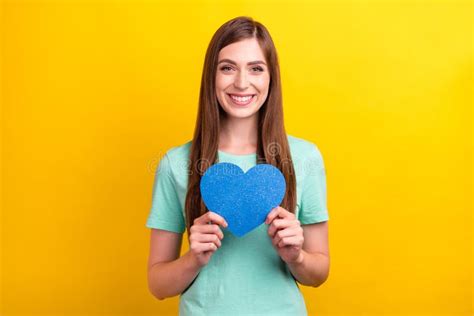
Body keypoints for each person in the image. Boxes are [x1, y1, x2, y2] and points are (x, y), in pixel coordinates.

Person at [146, 16, 330, 315]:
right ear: (211, 76)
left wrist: (296, 257)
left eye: (256, 69)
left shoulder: (306, 158)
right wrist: (194, 257)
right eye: (228, 68)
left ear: (271, 78)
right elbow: (158, 285)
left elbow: (319, 273)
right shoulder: (176, 164)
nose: (242, 83)